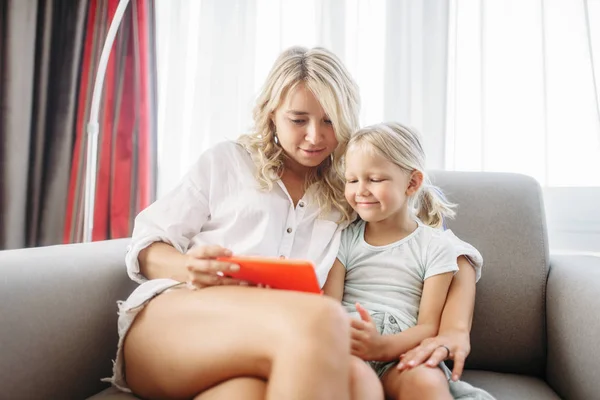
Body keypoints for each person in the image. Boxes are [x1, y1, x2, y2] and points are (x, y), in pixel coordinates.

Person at [107, 46, 481, 400]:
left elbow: (446, 248)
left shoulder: (351, 191)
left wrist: (454, 329)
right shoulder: (227, 162)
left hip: (276, 345)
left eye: (329, 121)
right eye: (298, 120)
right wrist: (188, 266)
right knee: (323, 320)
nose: (314, 136)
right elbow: (145, 246)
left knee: (353, 378)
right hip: (183, 320)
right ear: (271, 113)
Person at [322, 122, 494, 400]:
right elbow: (328, 307)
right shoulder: (343, 239)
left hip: (403, 352)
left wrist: (383, 347)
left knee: (426, 383)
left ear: (412, 183)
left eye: (375, 179)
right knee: (351, 379)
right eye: (352, 180)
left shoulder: (436, 247)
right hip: (348, 347)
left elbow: (428, 326)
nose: (360, 190)